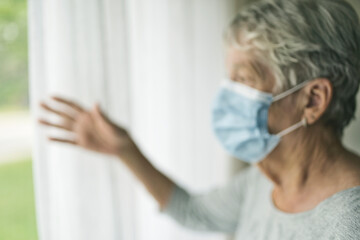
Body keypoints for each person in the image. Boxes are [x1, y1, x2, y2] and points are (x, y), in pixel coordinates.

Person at [38, 0, 360, 238]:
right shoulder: (265, 180)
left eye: (244, 79)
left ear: (313, 100)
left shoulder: (349, 221)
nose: (226, 95)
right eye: (228, 79)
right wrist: (126, 150)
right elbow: (195, 212)